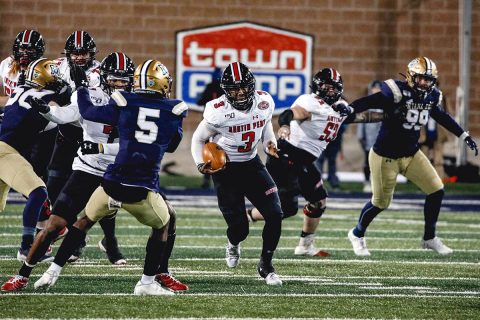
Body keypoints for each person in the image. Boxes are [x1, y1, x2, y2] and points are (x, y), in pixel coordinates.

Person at [1, 59, 189, 294]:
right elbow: (66, 115)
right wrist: (48, 110)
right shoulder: (95, 95)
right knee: (55, 225)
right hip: (89, 167)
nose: (119, 85)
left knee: (168, 216)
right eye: (114, 79)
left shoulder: (135, 101)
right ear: (103, 78)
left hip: (124, 168)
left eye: (123, 80)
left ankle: (160, 271)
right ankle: (23, 274)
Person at [332, 57, 479, 256]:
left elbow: (441, 116)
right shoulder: (396, 91)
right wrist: (351, 108)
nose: (425, 84)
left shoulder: (432, 96)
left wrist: (463, 134)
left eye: (429, 80)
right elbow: (371, 100)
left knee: (436, 190)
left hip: (411, 153)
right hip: (385, 156)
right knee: (380, 203)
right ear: (411, 76)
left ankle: (429, 238)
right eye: (421, 79)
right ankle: (357, 233)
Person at [247, 68, 385, 257]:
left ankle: (305, 245)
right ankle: (246, 216)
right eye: (327, 87)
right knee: (286, 209)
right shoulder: (311, 103)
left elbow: (361, 117)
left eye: (334, 87)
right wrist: (286, 126)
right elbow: (290, 113)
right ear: (318, 87)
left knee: (318, 201)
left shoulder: (339, 106)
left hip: (304, 161)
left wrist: (389, 115)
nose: (331, 91)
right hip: (286, 157)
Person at [191, 62, 283, 286]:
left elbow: (266, 124)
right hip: (226, 170)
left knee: (275, 214)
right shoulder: (218, 110)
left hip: (252, 164)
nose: (240, 92)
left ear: (251, 85)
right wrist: (199, 163)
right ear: (225, 90)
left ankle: (266, 264)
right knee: (240, 228)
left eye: (243, 87)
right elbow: (198, 138)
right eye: (234, 89)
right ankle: (233, 243)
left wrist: (269, 142)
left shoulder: (264, 102)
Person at [0, 58, 71, 282]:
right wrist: (66, 93)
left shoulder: (20, 89)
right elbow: (60, 116)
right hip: (5, 152)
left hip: (5, 149)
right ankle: (26, 245)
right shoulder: (42, 96)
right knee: (39, 192)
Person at [50, 30, 117, 263]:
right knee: (55, 183)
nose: (79, 57)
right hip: (66, 130)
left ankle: (111, 240)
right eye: (75, 52)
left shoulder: (100, 73)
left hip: (90, 132)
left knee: (102, 189)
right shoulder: (57, 66)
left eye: (84, 52)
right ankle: (74, 236)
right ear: (68, 53)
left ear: (92, 54)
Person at [196, 67, 223, 189]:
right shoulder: (223, 89)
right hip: (222, 127)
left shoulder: (209, 87)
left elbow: (200, 102)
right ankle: (221, 180)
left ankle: (206, 179)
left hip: (208, 126)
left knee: (208, 152)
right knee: (222, 152)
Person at [356, 80, 383, 193]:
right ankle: (367, 182)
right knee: (368, 163)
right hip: (369, 140)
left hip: (382, 139)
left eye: (378, 88)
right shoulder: (367, 105)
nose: (376, 90)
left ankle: (379, 183)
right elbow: (361, 121)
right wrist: (361, 137)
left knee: (381, 164)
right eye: (374, 88)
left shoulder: (385, 104)